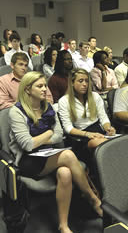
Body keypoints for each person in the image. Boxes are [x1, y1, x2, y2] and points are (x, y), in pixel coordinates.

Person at [9, 71, 102, 233]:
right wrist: (49, 133)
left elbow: (60, 134)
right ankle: (92, 198)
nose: (45, 89)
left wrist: (43, 138)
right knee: (67, 155)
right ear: (27, 90)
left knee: (65, 173)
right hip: (28, 160)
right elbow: (27, 145)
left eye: (45, 85)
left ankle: (63, 225)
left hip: (49, 154)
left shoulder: (48, 107)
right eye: (40, 86)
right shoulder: (16, 111)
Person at [58, 68, 115, 151]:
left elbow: (103, 117)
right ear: (72, 83)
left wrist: (108, 128)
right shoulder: (64, 101)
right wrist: (87, 134)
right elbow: (68, 128)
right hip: (81, 136)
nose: (85, 84)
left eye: (86, 81)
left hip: (99, 133)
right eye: (80, 81)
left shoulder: (95, 96)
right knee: (107, 146)